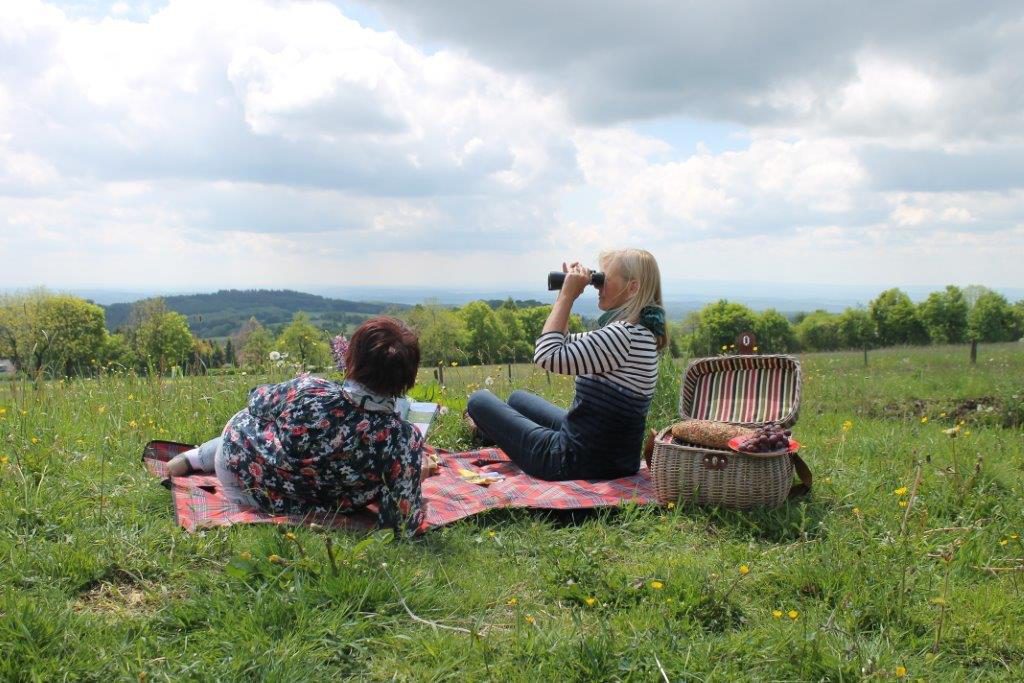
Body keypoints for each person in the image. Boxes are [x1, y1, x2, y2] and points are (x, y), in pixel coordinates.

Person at [167, 316, 430, 536]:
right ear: (409, 377)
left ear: (352, 358)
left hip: (240, 475)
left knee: (252, 423)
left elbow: (256, 402)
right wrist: (415, 474)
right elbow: (403, 522)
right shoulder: (404, 440)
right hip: (296, 506)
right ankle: (201, 455)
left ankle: (196, 457)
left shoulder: (310, 389)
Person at [466, 248, 667, 480]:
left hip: (573, 460)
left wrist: (567, 297)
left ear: (632, 288)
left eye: (604, 279)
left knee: (478, 400)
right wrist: (564, 293)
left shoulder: (623, 335)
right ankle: (496, 432)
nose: (598, 286)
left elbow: (546, 355)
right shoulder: (637, 333)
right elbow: (561, 343)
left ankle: (492, 431)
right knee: (517, 399)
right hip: (615, 457)